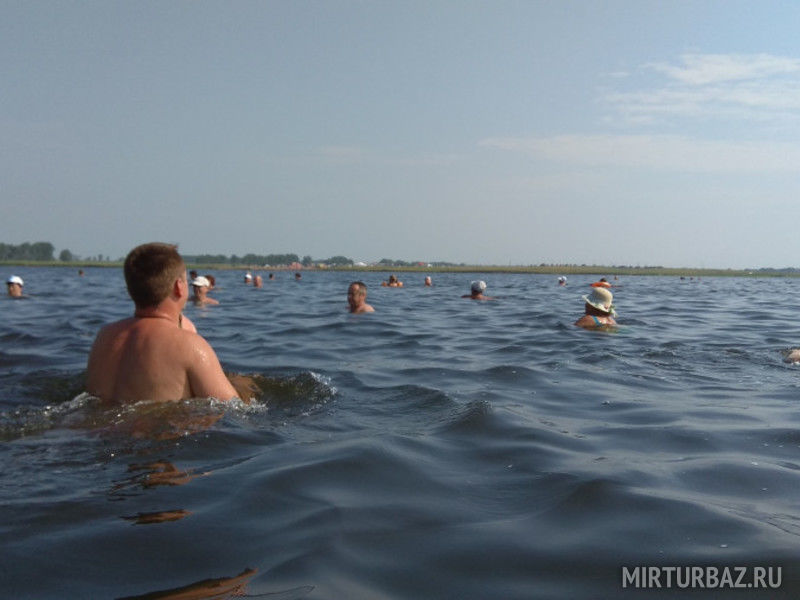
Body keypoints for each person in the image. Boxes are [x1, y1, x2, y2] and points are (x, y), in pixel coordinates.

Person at [85, 242, 237, 403]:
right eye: (185, 280)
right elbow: (234, 409)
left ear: (130, 288)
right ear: (179, 287)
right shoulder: (190, 345)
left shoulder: (105, 336)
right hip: (152, 426)